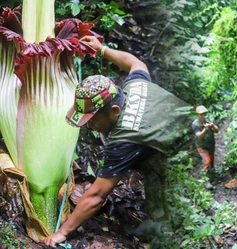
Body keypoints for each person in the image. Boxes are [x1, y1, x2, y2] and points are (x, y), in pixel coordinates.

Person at [44, 35, 191, 247]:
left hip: (192, 154)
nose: (89, 126)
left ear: (114, 111)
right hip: (191, 124)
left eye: (92, 120)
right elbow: (135, 63)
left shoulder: (124, 140)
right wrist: (101, 49)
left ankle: (170, 226)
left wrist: (63, 232)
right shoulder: (135, 86)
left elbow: (96, 196)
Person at [192, 105, 219, 173]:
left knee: (211, 160)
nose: (203, 116)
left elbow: (217, 131)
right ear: (198, 115)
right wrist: (205, 129)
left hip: (210, 144)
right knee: (207, 161)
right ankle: (205, 179)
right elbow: (199, 136)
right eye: (201, 114)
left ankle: (212, 175)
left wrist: (212, 126)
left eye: (204, 114)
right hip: (202, 147)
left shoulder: (210, 120)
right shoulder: (195, 124)